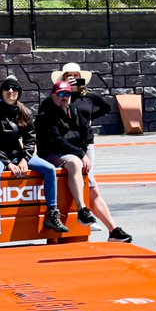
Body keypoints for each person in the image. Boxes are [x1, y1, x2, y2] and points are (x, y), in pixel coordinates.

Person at [53, 62, 133, 243]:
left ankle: (101, 223)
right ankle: (97, 221)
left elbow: (105, 107)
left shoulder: (88, 96)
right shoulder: (61, 96)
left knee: (89, 181)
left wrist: (88, 119)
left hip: (85, 143)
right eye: (68, 76)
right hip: (66, 146)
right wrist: (68, 94)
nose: (72, 78)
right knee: (88, 183)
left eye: (76, 75)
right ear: (63, 78)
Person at [0, 76, 69, 237]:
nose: (11, 91)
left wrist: (24, 159)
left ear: (19, 93)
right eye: (7, 88)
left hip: (18, 155)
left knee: (50, 169)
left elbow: (31, 139)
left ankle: (52, 214)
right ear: (1, 92)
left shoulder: (24, 112)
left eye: (14, 89)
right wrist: (8, 163)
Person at [35, 80, 98, 229]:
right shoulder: (46, 115)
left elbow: (87, 129)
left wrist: (87, 146)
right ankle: (82, 210)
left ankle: (102, 222)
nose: (64, 97)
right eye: (61, 94)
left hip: (73, 152)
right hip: (52, 153)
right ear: (52, 95)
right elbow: (56, 141)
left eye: (67, 94)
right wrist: (81, 154)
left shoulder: (73, 109)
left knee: (91, 181)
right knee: (75, 162)